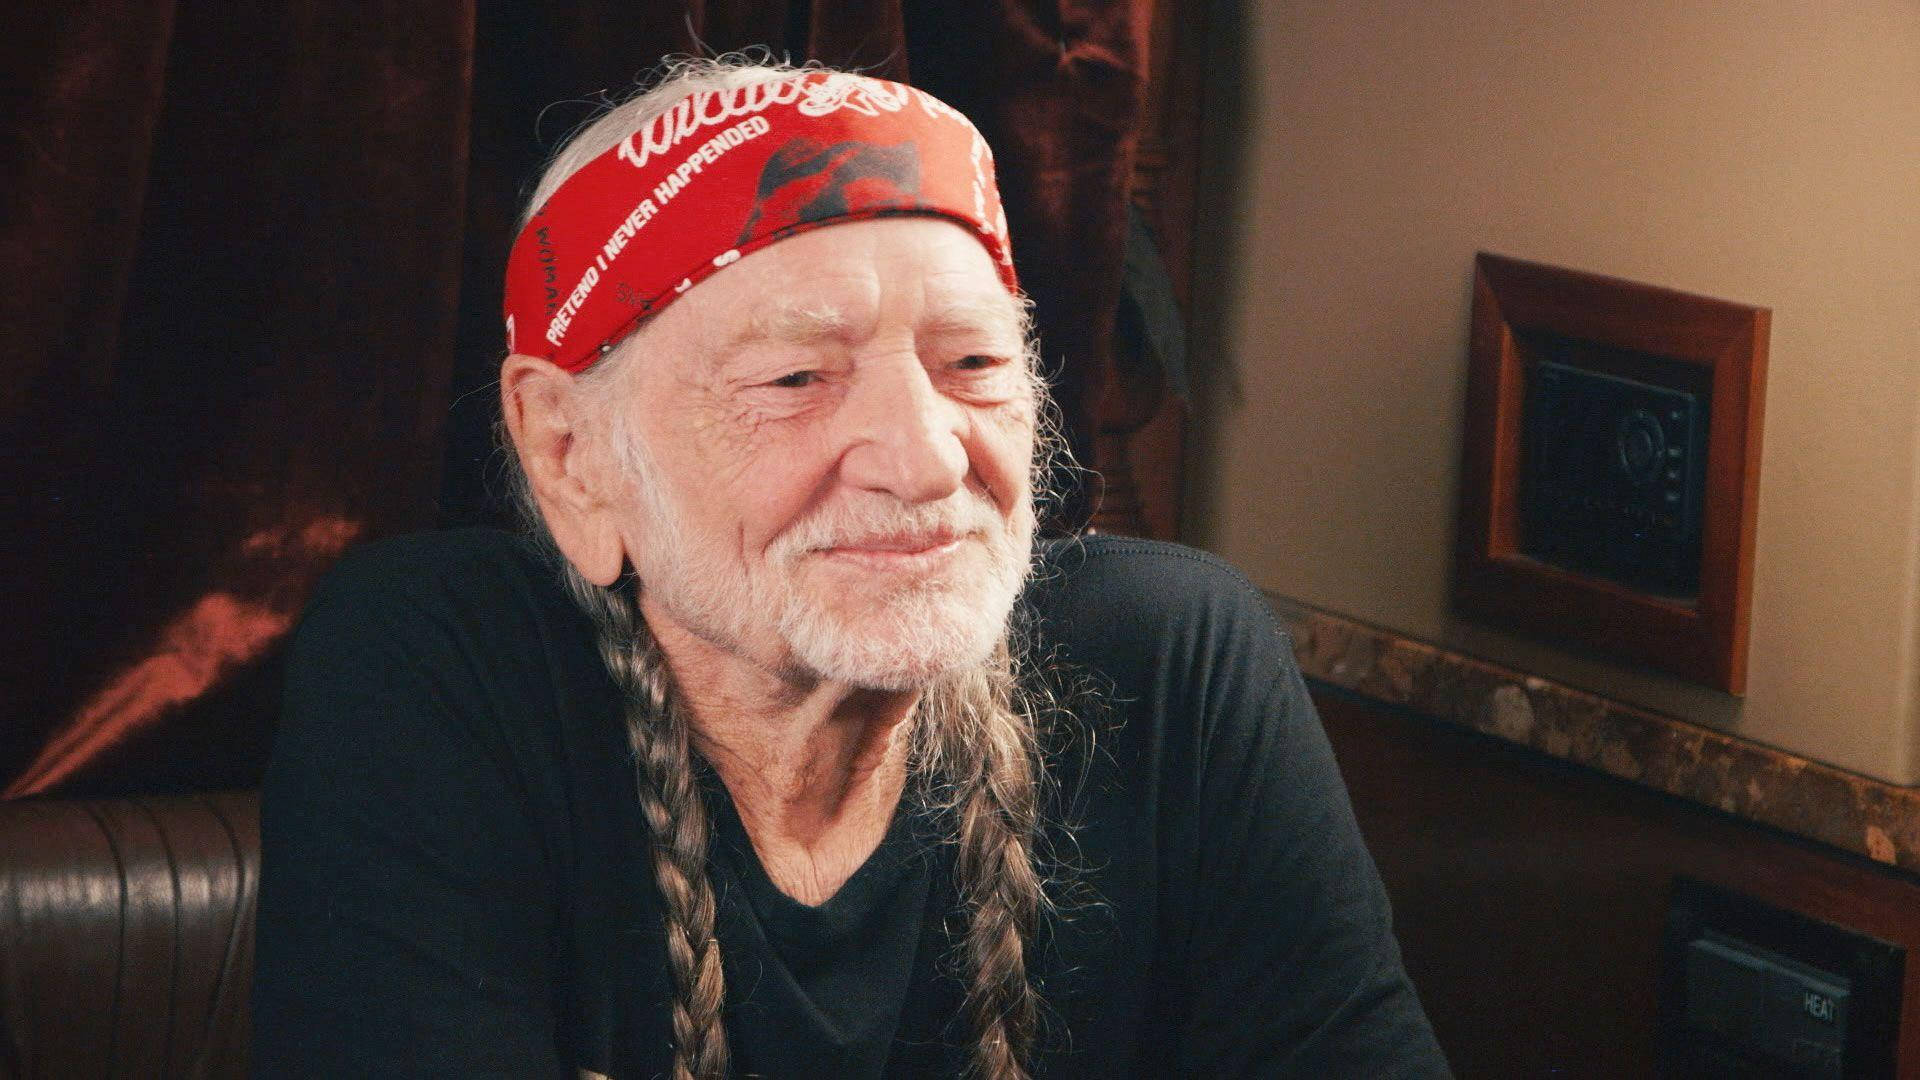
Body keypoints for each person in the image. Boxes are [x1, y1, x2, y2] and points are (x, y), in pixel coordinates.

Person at [251, 58, 1449, 1079]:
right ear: (571, 457)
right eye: (794, 380)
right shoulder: (435, 666)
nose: (928, 458)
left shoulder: (1176, 653)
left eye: (975, 362)